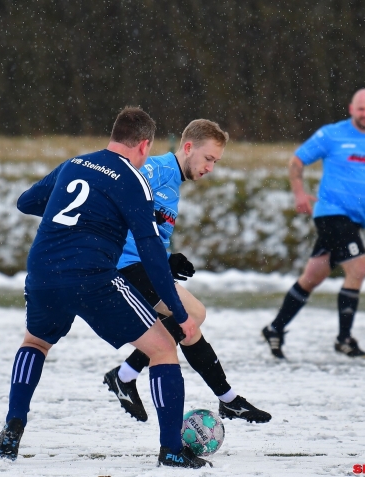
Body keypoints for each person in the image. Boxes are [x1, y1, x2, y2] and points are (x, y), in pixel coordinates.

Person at [0, 107, 210, 468]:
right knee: (162, 348)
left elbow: (26, 201)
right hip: (93, 277)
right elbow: (152, 255)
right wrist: (179, 313)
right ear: (144, 145)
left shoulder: (75, 164)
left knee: (35, 342)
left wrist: (77, 218)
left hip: (43, 268)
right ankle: (172, 449)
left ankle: (13, 426)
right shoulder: (134, 180)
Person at [103, 119, 271, 424]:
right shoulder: (158, 170)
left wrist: (166, 259)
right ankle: (227, 400)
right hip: (125, 266)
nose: (211, 168)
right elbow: (119, 188)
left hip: (142, 264)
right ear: (188, 147)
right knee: (190, 316)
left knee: (190, 318)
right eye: (208, 159)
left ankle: (126, 375)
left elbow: (148, 228)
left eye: (216, 162)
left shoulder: (173, 184)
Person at [262, 89, 365, 360]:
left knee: (313, 276)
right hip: (331, 214)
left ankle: (274, 328)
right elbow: (296, 160)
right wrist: (299, 193)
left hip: (354, 218)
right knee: (358, 268)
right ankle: (344, 339)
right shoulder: (332, 134)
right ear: (351, 108)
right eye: (361, 109)